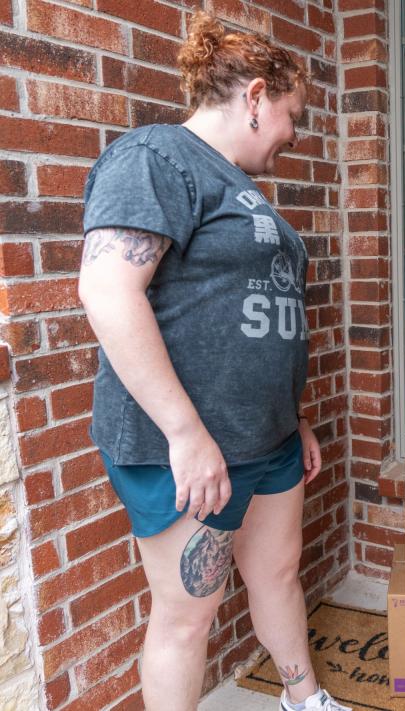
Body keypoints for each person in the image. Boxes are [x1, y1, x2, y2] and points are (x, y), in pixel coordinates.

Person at [78, 12, 349, 711]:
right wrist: (186, 434)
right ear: (255, 96)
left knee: (279, 572)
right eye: (293, 115)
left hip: (270, 438)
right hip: (190, 445)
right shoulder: (156, 157)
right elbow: (108, 290)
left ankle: (303, 699)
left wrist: (296, 418)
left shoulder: (240, 189)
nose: (295, 132)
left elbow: (255, 315)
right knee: (187, 613)